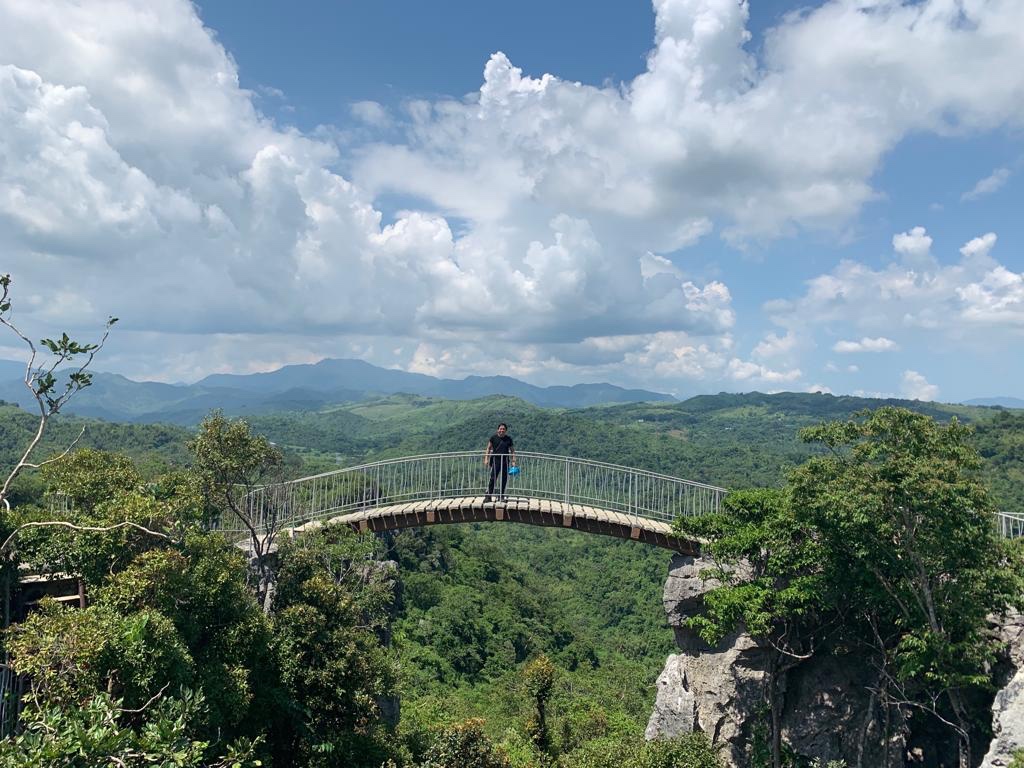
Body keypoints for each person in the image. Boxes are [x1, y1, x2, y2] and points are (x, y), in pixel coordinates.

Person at [483, 422, 516, 502]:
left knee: (504, 479)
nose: (502, 430)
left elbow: (512, 450)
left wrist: (513, 461)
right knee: (493, 478)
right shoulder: (493, 438)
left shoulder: (508, 439)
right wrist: (486, 458)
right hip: (495, 460)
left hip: (505, 461)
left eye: (503, 429)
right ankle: (488, 496)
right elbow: (488, 448)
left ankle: (501, 495)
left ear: (506, 430)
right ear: (497, 430)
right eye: (500, 429)